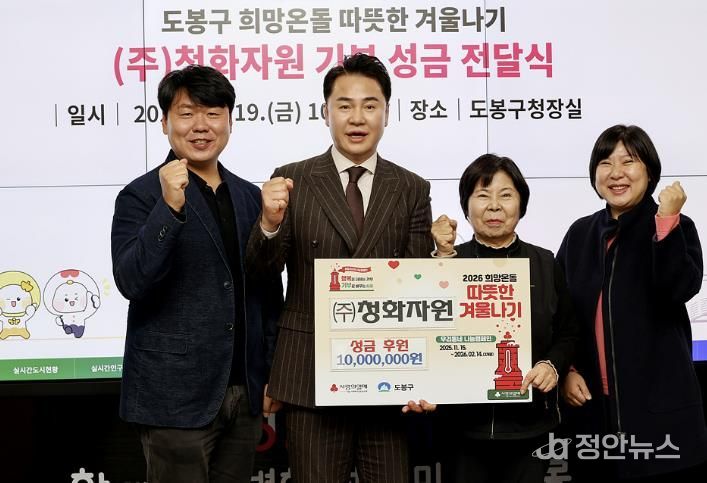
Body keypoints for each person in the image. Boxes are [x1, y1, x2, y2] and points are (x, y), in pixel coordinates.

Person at [245, 53, 433, 483]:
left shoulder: (410, 188)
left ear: (387, 112)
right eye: (344, 105)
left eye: (370, 105)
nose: (357, 118)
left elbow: (418, 287)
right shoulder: (291, 179)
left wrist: (425, 376)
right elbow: (260, 273)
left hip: (388, 374)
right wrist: (269, 224)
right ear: (325, 111)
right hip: (310, 373)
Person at [111, 65, 282, 483]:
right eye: (187, 114)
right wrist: (169, 208)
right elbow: (132, 281)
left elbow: (266, 292)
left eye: (213, 113)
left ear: (230, 121)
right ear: (165, 122)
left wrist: (271, 373)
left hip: (243, 393)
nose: (201, 126)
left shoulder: (249, 196)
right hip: (173, 395)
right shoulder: (140, 195)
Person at [408, 154, 578, 483]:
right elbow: (425, 336)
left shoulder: (544, 263)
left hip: (530, 427)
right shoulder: (447, 263)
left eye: (506, 195)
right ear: (466, 205)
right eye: (483, 195)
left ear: (521, 203)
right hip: (462, 430)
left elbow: (568, 332)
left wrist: (552, 365)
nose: (494, 206)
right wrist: (442, 259)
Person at [557, 124, 707, 481]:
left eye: (628, 161)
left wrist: (666, 222)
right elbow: (560, 313)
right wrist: (568, 369)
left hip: (659, 413)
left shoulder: (675, 227)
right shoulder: (580, 233)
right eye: (605, 162)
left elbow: (678, 288)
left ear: (649, 171)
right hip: (592, 410)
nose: (616, 173)